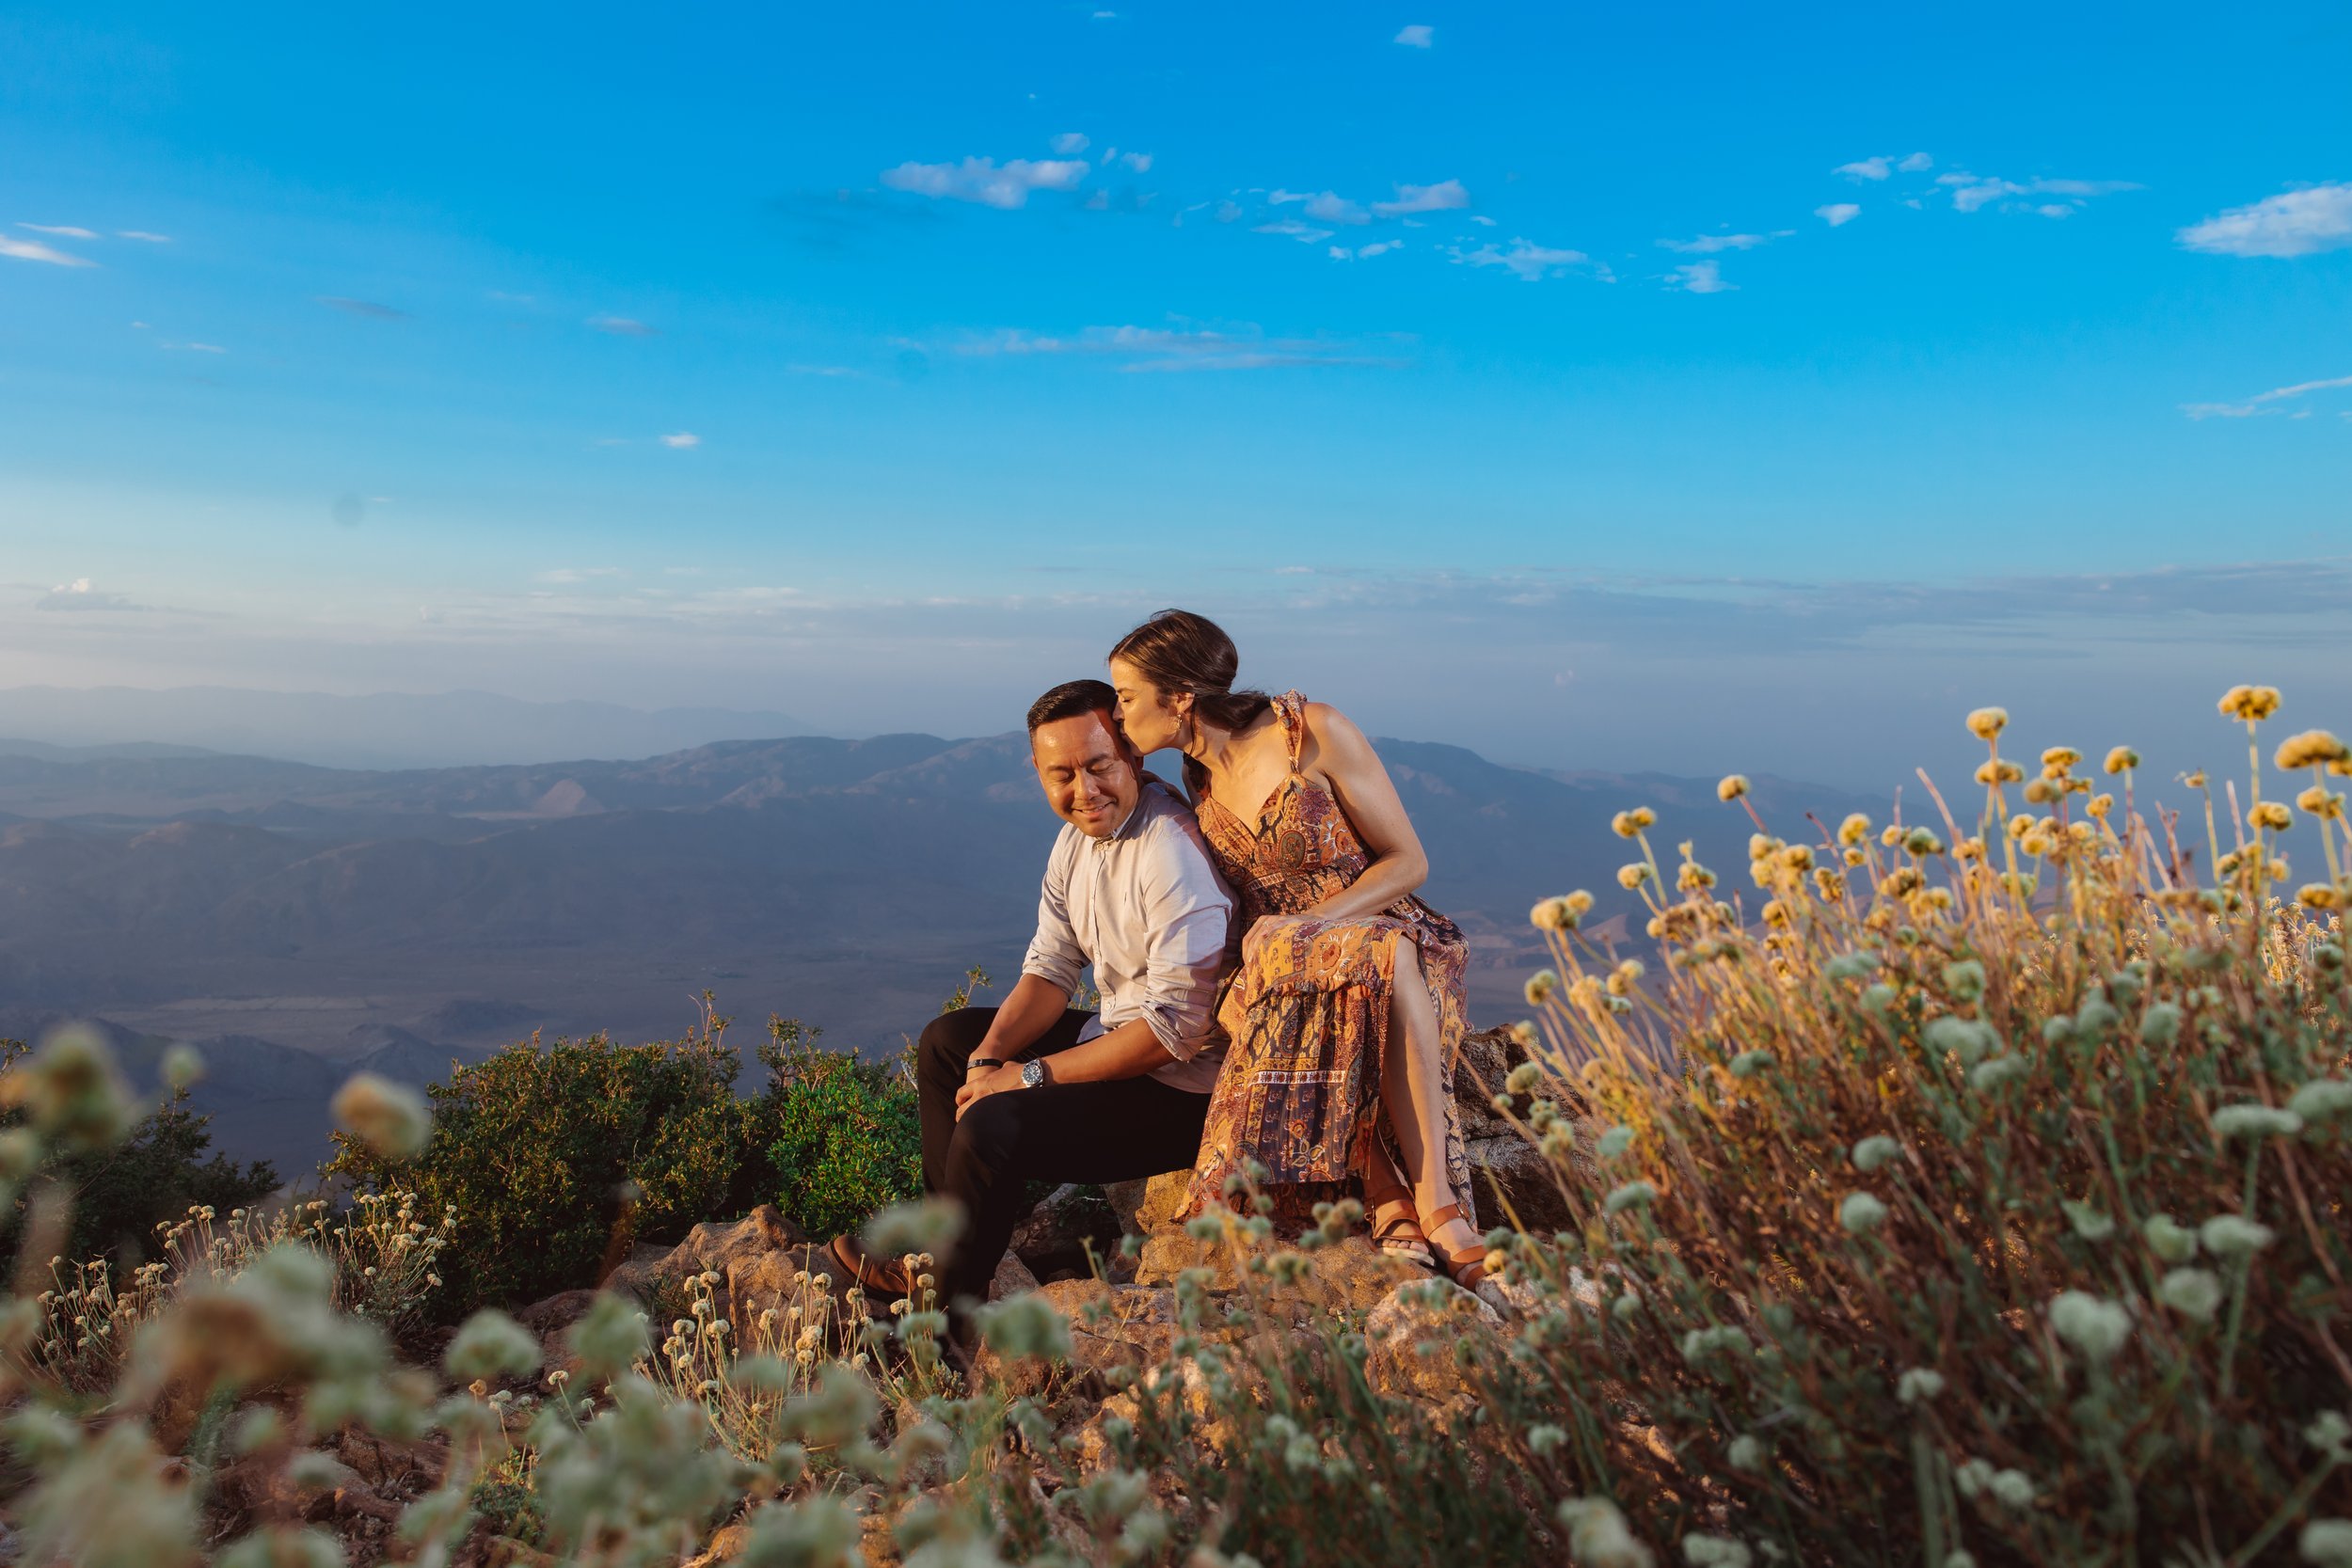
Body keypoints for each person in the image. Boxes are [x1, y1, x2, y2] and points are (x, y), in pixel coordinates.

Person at [824, 678, 1236, 1325]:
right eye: (1062, 773)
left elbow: (1172, 1032)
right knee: (947, 1044)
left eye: (1099, 765)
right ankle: (942, 1257)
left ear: (1133, 754)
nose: (1084, 789)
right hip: (1120, 1037)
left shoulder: (1169, 851)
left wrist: (1029, 1075)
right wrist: (991, 1058)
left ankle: (946, 1327)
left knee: (996, 1126)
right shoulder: (1079, 840)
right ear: (1038, 773)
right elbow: (1050, 970)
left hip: (1188, 1092)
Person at [1104, 610, 1491, 1296]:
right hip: (1283, 964)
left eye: (1128, 696)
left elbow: (1408, 862)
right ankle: (1382, 1189)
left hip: (1382, 927)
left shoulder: (1310, 731)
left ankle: (1438, 1204)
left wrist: (1307, 924)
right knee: (1272, 990)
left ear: (1181, 696)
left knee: (1379, 955)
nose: (1118, 710)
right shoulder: (1195, 781)